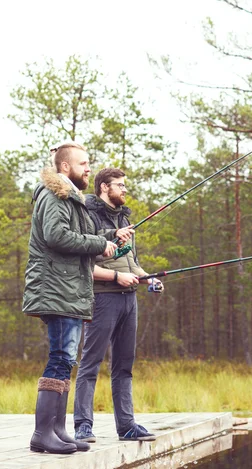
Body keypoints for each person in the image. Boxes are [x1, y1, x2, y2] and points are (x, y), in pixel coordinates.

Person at [22, 143, 132, 454]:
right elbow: (57, 237)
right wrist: (99, 243)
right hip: (57, 289)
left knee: (66, 359)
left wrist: (110, 238)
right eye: (83, 164)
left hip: (67, 289)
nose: (88, 168)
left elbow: (81, 235)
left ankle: (57, 430)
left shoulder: (71, 198)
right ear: (65, 167)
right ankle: (42, 434)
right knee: (60, 358)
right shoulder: (55, 194)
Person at [73, 167, 163, 443]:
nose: (125, 189)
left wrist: (147, 278)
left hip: (129, 300)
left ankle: (127, 426)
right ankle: (83, 427)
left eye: (125, 185)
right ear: (104, 187)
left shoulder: (124, 217)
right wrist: (116, 276)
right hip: (102, 298)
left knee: (124, 366)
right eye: (120, 185)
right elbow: (83, 265)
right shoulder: (87, 215)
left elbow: (130, 262)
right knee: (90, 363)